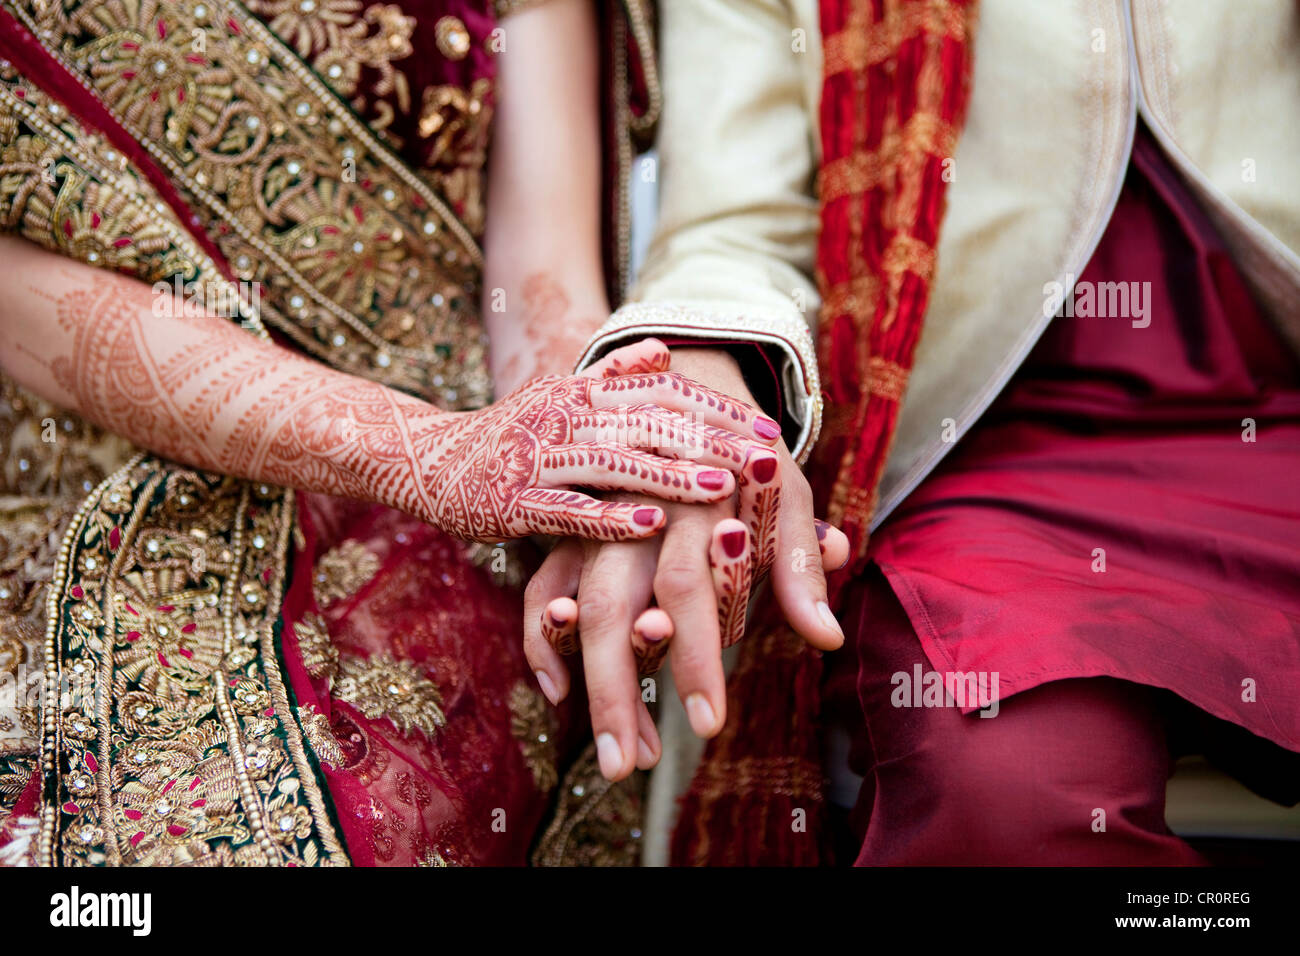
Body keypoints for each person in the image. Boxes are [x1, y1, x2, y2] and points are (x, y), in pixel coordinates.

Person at [0, 0, 800, 867]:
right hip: (70, 469)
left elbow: (541, 271)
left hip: (450, 503)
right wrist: (420, 453)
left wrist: (612, 458)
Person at [550, 0, 1300, 865]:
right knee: (1006, 797)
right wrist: (698, 415)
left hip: (1272, 433)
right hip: (983, 467)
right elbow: (733, 230)